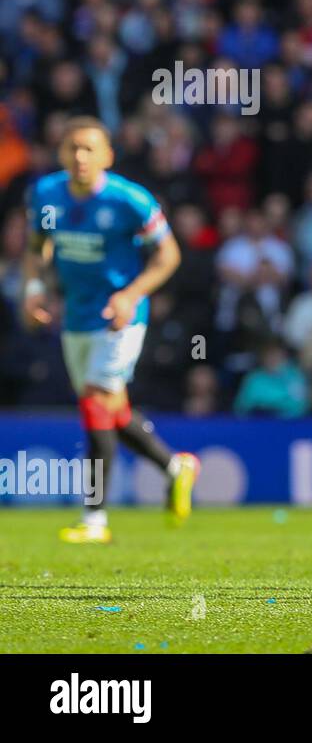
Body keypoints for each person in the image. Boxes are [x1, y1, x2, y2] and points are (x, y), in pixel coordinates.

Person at [23, 117, 199, 543]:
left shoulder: (130, 200)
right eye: (72, 148)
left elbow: (169, 255)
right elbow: (36, 247)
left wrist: (131, 294)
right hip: (76, 318)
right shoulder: (46, 194)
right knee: (112, 410)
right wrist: (33, 289)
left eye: (88, 149)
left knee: (96, 404)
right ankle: (176, 467)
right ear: (61, 153)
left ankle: (94, 519)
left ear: (107, 156)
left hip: (120, 317)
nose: (80, 157)